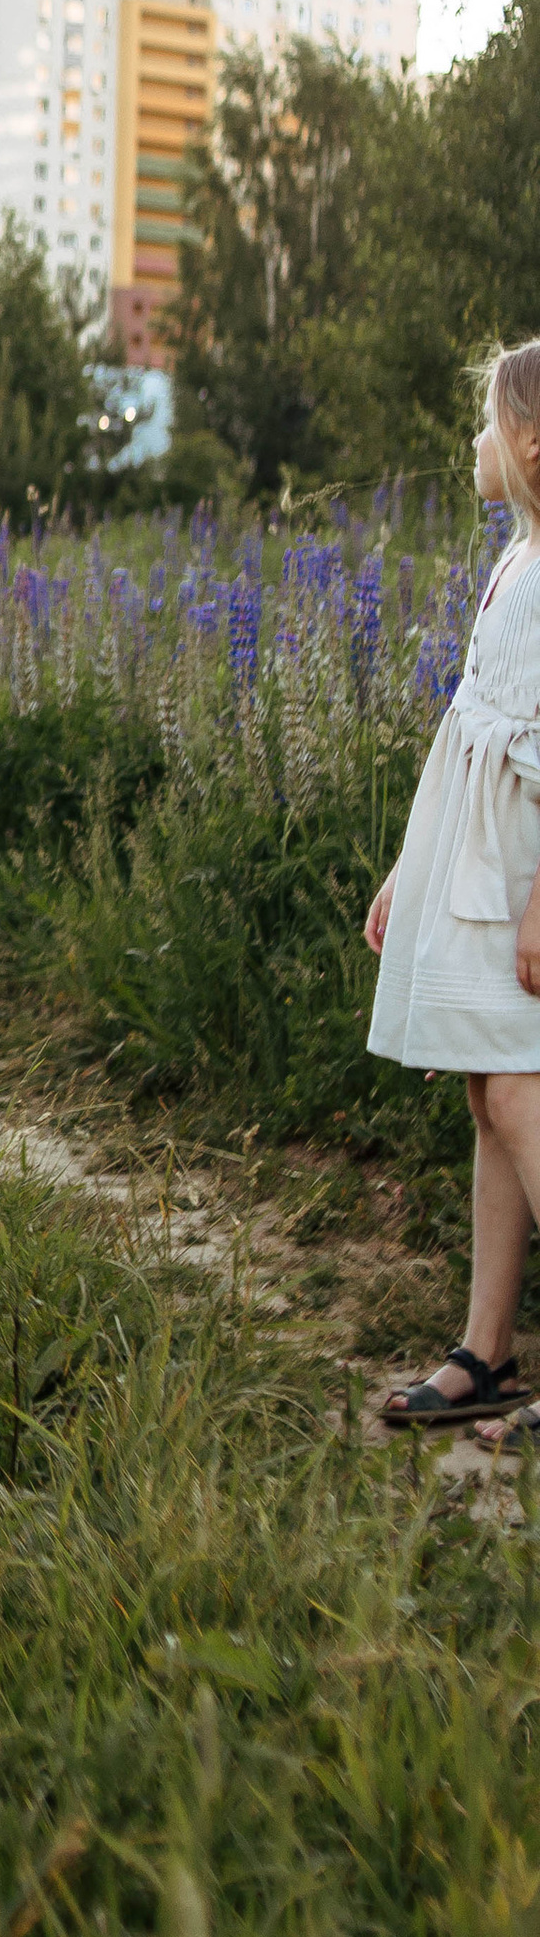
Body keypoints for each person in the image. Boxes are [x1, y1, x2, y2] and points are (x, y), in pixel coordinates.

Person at [369, 340, 540, 1439]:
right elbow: (472, 731)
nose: (472, 443)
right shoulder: (518, 556)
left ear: (532, 444)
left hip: (524, 883)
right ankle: (484, 1348)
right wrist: (407, 865)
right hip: (480, 867)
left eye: (483, 424)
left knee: (523, 1095)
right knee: (490, 1092)